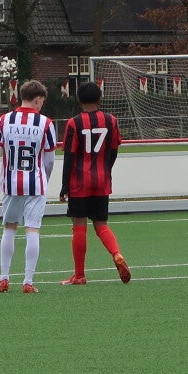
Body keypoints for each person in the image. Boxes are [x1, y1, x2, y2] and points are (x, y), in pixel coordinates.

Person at [0, 79, 58, 293]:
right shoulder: (46, 123)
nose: (42, 105)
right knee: (32, 230)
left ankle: (4, 278)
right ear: (37, 99)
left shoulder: (4, 120)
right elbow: (50, 160)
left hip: (11, 183)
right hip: (36, 183)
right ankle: (28, 281)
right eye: (41, 101)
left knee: (9, 229)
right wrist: (44, 179)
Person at [58, 81, 132, 285]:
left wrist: (64, 186)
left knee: (79, 226)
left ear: (79, 100)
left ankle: (79, 275)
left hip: (79, 182)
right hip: (101, 181)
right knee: (101, 225)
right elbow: (114, 150)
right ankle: (116, 254)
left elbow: (69, 157)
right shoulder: (111, 120)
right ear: (100, 99)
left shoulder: (74, 123)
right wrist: (106, 170)